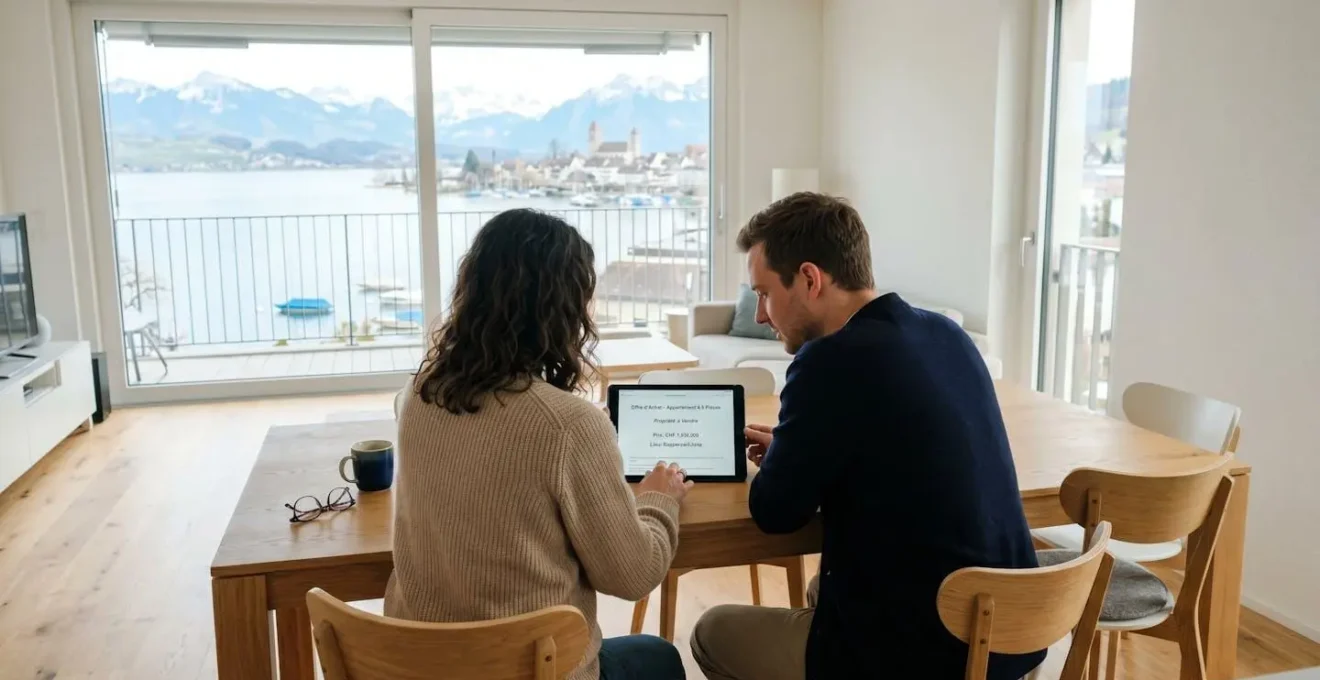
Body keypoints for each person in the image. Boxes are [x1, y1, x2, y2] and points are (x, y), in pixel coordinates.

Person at [689, 193, 1044, 680]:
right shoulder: (946, 335)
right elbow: (893, 450)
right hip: (1009, 636)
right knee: (821, 591)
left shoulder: (828, 363)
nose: (761, 315)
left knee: (711, 632)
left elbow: (775, 512)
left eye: (765, 293)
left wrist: (786, 462)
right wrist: (801, 448)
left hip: (922, 655)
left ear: (810, 279)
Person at [386, 208, 690, 680]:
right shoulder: (570, 426)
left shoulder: (416, 396)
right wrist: (657, 499)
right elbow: (629, 575)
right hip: (531, 670)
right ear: (562, 309)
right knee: (660, 657)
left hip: (423, 666)